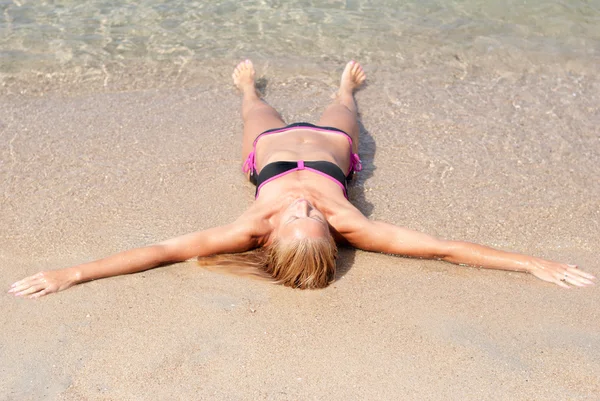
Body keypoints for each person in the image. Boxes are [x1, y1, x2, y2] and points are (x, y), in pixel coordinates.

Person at [8, 60, 595, 298]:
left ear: (267, 238)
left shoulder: (249, 223)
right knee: (348, 109)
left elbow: (159, 251)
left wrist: (73, 271)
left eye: (301, 218)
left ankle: (247, 86)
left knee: (251, 110)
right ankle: (343, 89)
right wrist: (529, 262)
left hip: (267, 152)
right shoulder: (351, 222)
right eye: (314, 219)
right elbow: (445, 249)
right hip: (334, 150)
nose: (309, 211)